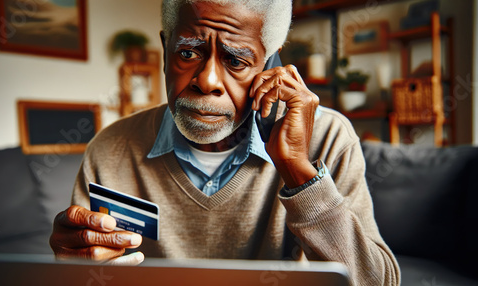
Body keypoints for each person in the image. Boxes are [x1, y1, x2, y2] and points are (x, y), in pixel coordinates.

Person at [50, 0, 400, 285]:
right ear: (164, 48)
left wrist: (298, 170)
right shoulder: (109, 148)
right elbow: (87, 273)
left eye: (235, 60)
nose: (208, 81)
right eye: (187, 53)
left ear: (269, 62)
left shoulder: (328, 138)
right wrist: (72, 270)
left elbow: (377, 282)